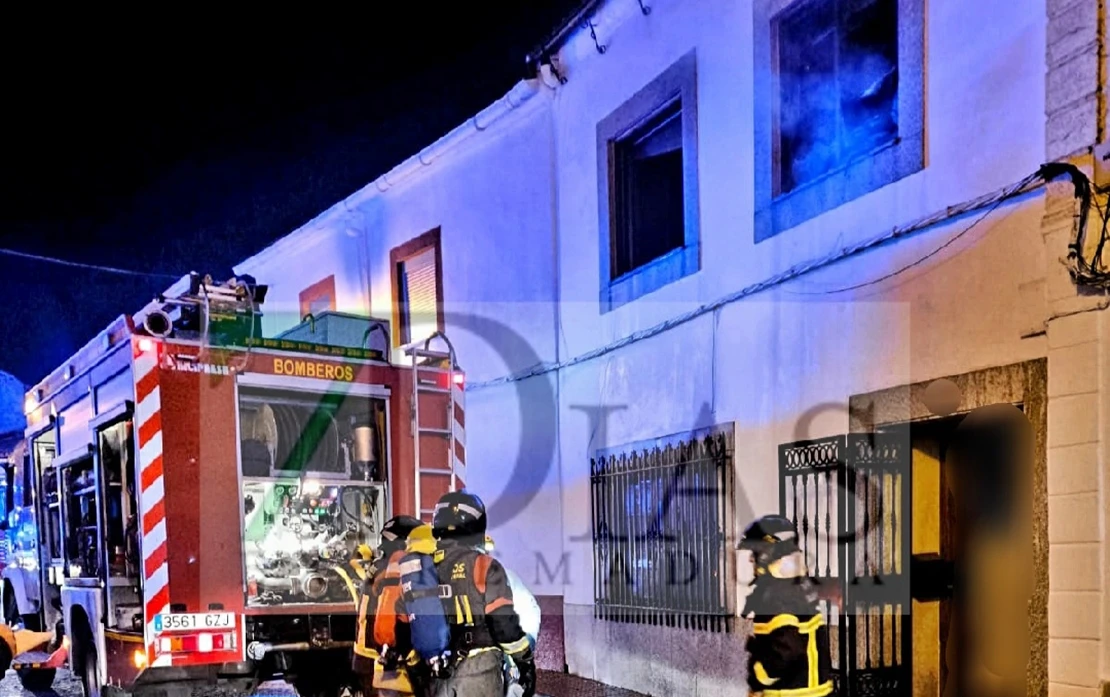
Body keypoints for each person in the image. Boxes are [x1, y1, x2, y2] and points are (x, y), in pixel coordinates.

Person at [427, 491, 537, 697]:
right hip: (479, 673)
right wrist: (525, 663)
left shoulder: (425, 568)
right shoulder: (484, 565)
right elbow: (504, 626)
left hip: (437, 676)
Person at [739, 515, 834, 697]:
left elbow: (787, 650)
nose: (751, 559)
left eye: (755, 552)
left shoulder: (777, 594)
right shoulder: (797, 586)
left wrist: (758, 678)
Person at [353, 515, 425, 697]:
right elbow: (389, 613)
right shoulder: (395, 568)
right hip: (384, 662)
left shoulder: (378, 566)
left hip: (366, 657)